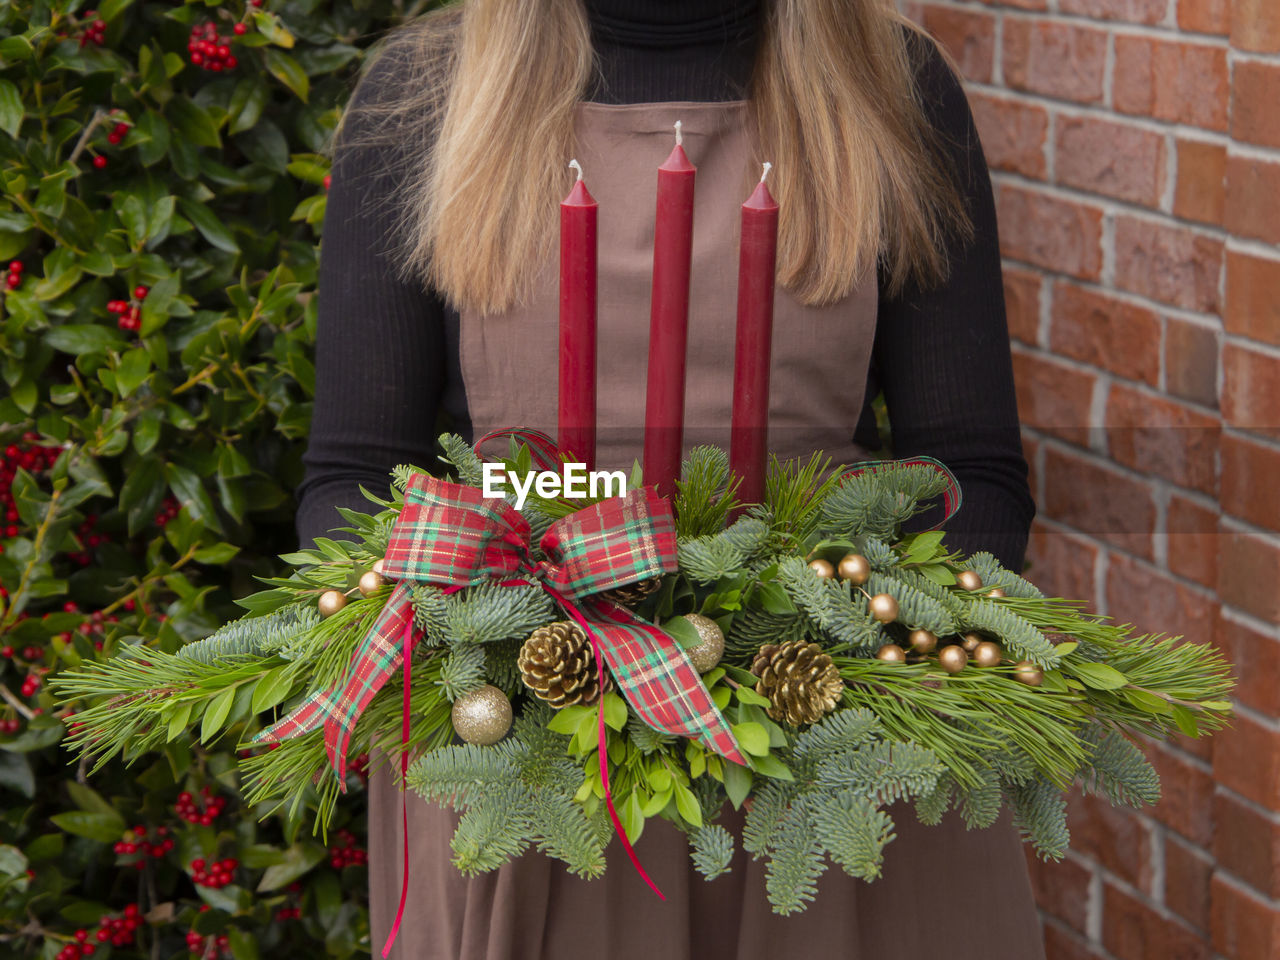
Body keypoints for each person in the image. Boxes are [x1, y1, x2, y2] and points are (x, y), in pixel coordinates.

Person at [296, 1, 1044, 957]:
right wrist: (487, 660)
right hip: (538, 777)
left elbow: (975, 474)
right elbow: (351, 481)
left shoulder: (891, 83)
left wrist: (843, 656)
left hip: (834, 758)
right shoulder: (429, 90)